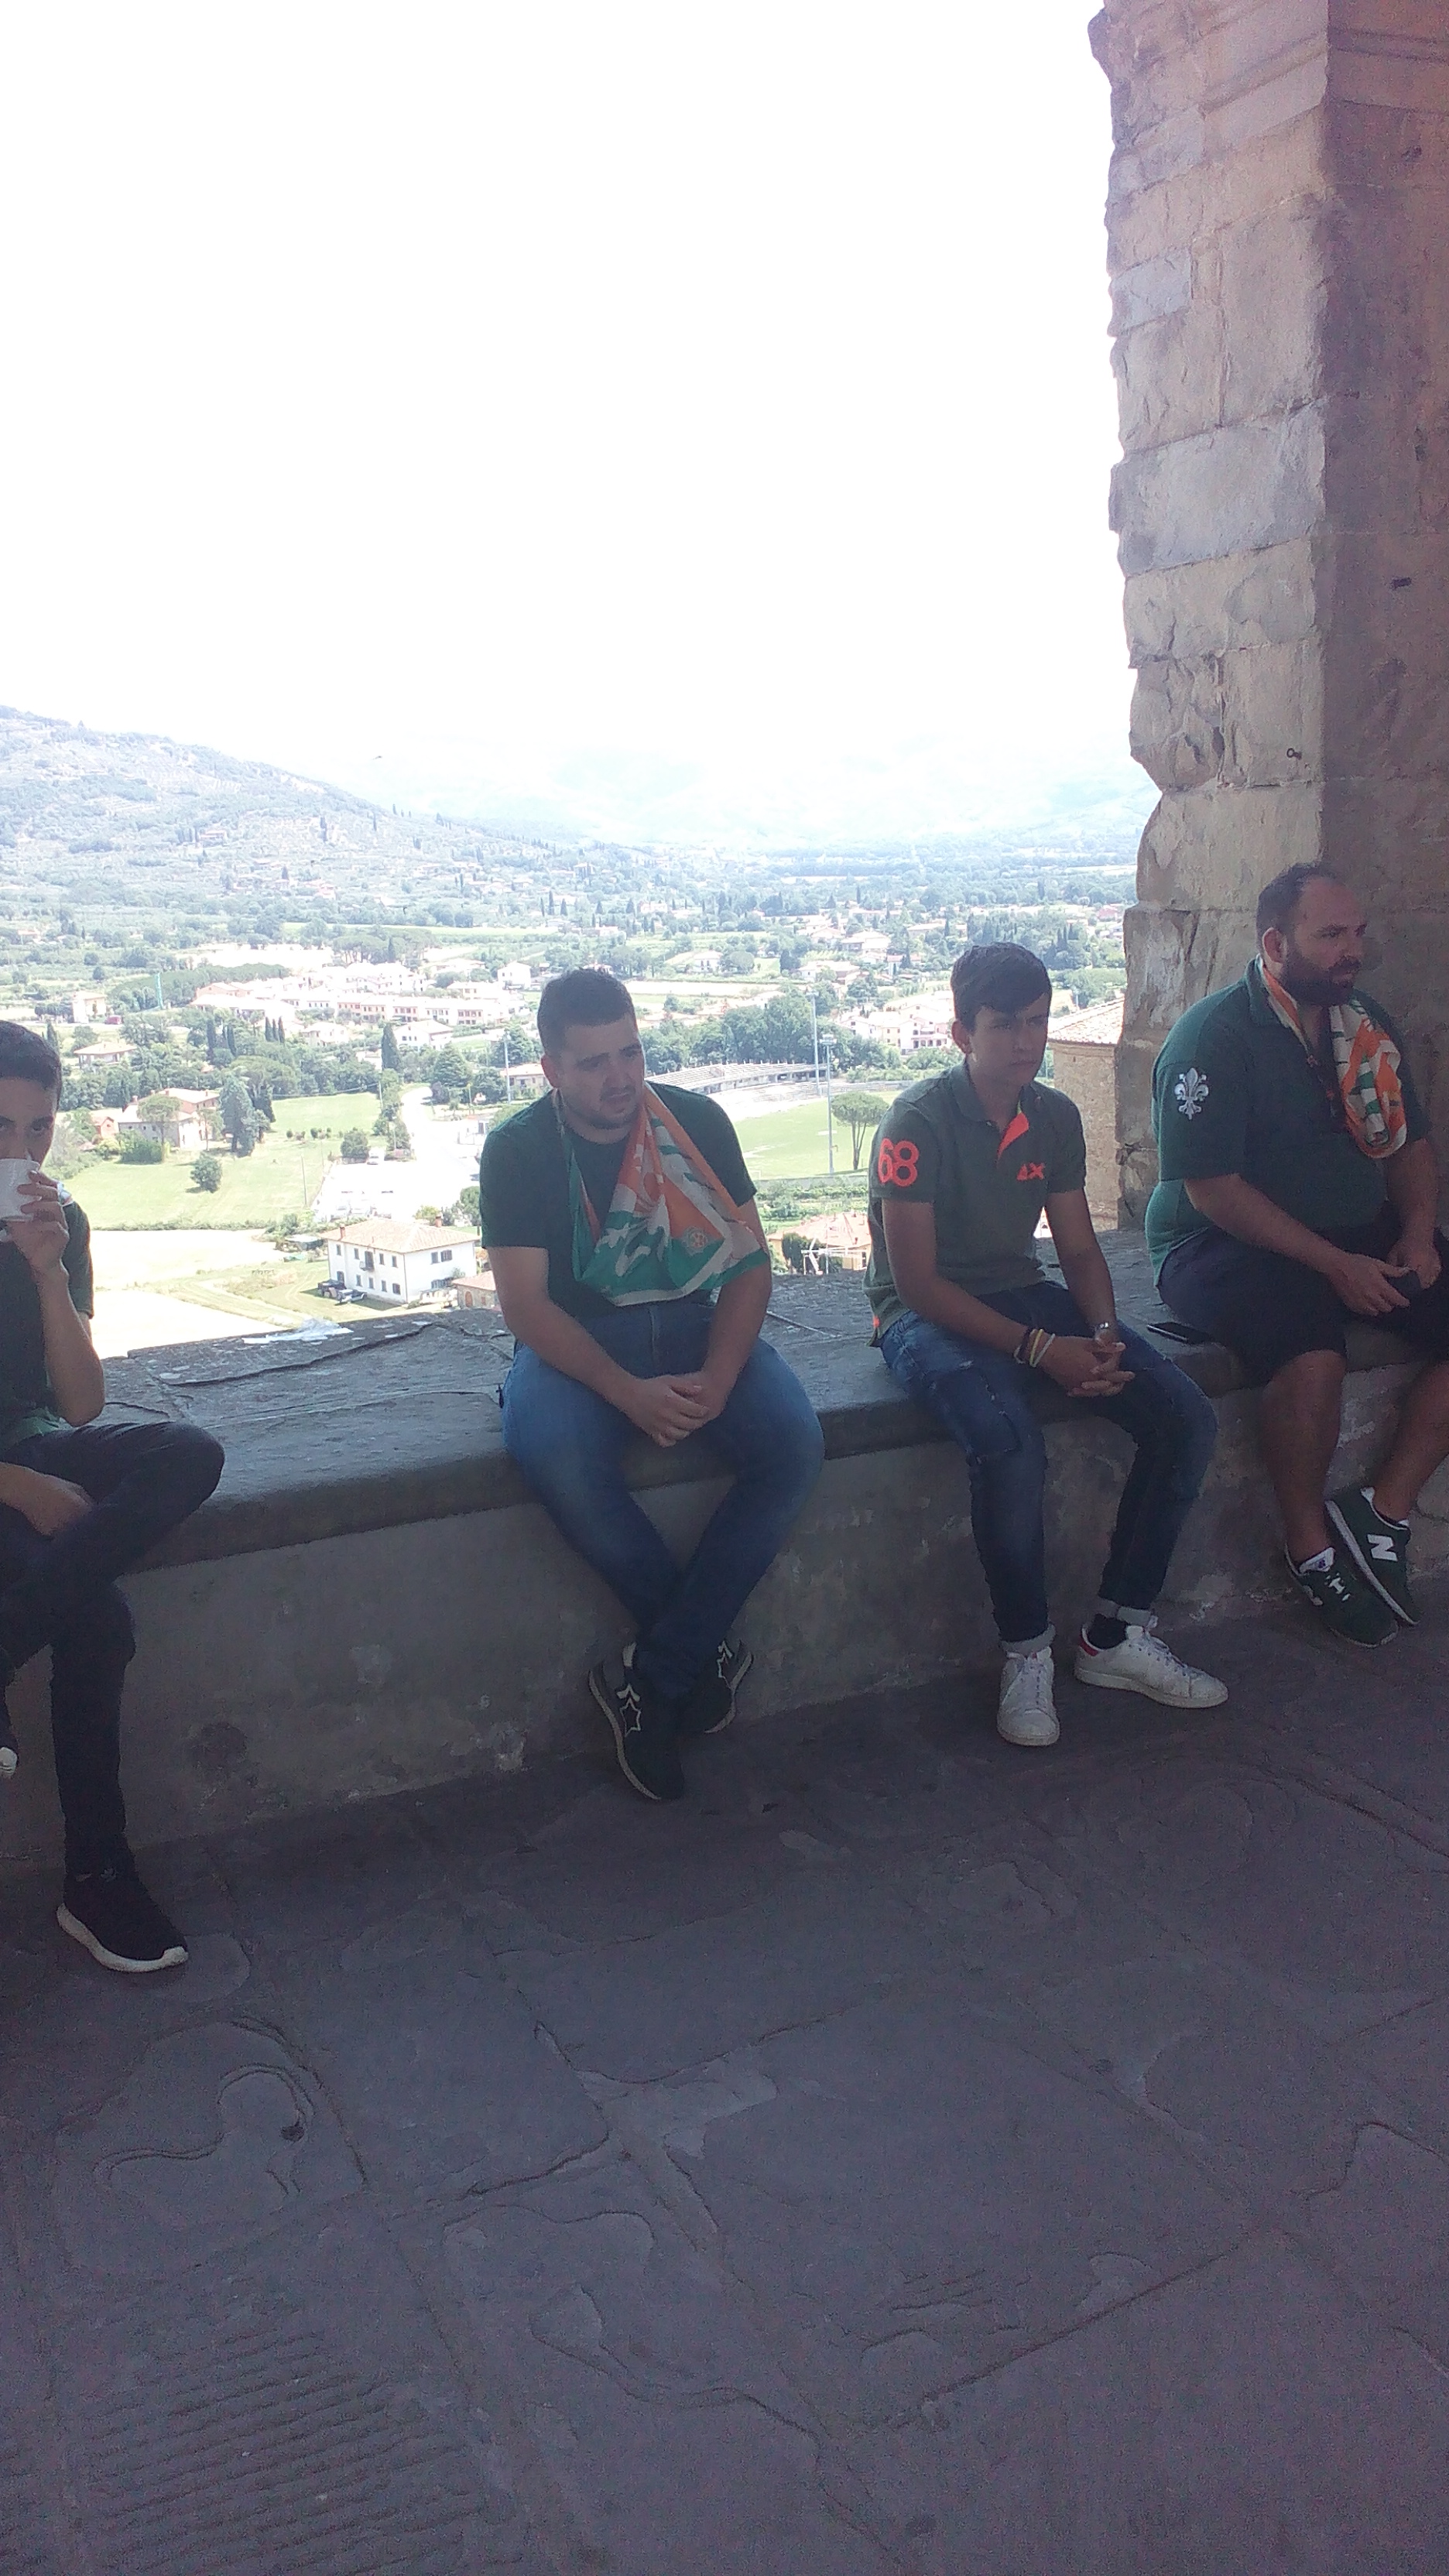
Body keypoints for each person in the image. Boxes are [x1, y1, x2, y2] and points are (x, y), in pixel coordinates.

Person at [866, 943, 1225, 1747]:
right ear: (962, 1033)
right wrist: (1039, 1350)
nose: (1025, 1042)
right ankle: (1026, 1652)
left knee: (1184, 1417)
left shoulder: (1053, 1116)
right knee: (1007, 1441)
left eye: (1037, 1022)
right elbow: (916, 1282)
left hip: (1019, 1289)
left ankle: (1116, 1634)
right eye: (1004, 1025)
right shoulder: (915, 1123)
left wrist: (1100, 1336)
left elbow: (1078, 1248)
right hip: (922, 1314)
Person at [481, 968, 824, 1801]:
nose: (620, 1078)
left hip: (692, 1319)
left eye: (630, 1053)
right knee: (556, 1455)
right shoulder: (519, 1149)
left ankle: (656, 1675)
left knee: (793, 1444)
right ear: (551, 1070)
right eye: (593, 1062)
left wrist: (721, 1375)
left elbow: (749, 1266)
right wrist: (626, 1392)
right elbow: (526, 1306)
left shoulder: (695, 1123)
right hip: (580, 1340)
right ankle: (696, 1655)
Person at [1149, 862, 1449, 1646]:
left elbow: (1409, 1143)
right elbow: (1213, 1190)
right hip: (1219, 1242)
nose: (1354, 950)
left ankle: (1381, 1513)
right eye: (1332, 935)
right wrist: (1334, 1265)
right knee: (1312, 1353)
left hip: (1354, 1228)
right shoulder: (1214, 1038)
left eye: (1358, 933)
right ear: (1276, 944)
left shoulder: (1364, 1024)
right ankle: (1312, 1550)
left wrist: (1417, 1232)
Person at [0, 1025, 224, 1969]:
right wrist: (18, 1486)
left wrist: (48, 1269)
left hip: (31, 1440)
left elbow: (82, 1402)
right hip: (13, 1471)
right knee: (98, 1620)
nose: (22, 1150)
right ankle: (97, 1877)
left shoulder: (62, 1221)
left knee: (190, 1451)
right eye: (2, 1127)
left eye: (39, 1128)